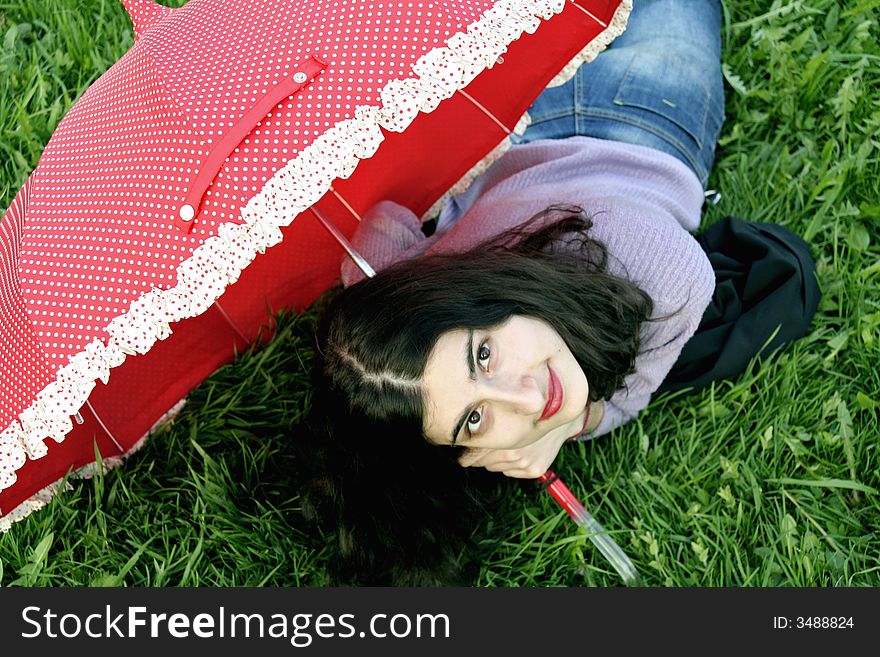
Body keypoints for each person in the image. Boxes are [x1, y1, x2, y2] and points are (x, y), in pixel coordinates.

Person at [295, 0, 802, 585]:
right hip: (644, 117)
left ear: (462, 298)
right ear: (464, 454)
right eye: (475, 419)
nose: (527, 397)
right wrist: (578, 420)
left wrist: (381, 296)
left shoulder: (620, 254)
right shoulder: (668, 276)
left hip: (517, 117)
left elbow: (379, 220)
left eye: (483, 355)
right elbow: (629, 395)